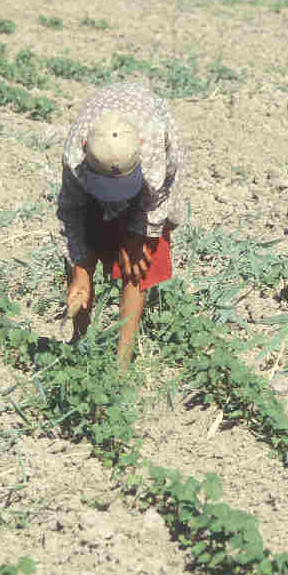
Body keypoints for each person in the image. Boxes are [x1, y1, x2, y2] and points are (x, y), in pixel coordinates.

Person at [57, 83, 184, 364]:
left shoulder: (154, 151)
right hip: (95, 171)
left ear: (138, 149)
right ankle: (79, 345)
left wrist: (139, 236)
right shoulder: (76, 158)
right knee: (84, 251)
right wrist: (80, 268)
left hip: (150, 181)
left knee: (137, 264)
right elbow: (70, 214)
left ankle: (122, 362)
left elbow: (160, 196)